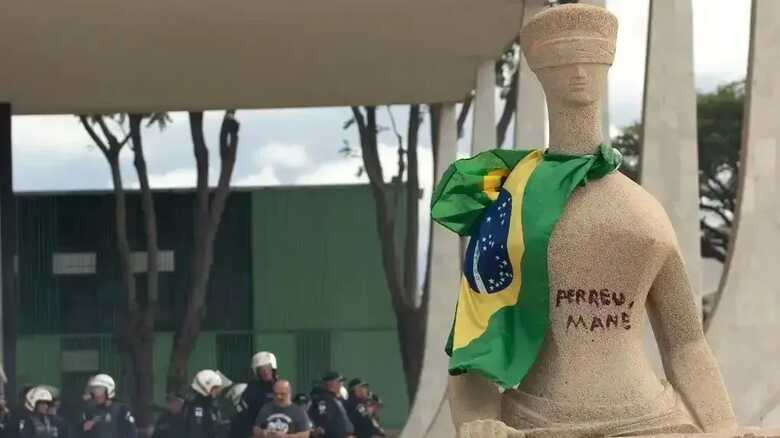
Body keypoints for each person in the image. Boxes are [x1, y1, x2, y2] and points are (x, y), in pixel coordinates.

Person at [80, 374, 137, 438]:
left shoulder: (121, 409)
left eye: (99, 390)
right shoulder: (90, 412)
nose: (96, 394)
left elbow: (131, 433)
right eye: (93, 391)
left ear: (108, 390)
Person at [307, 372, 353, 438]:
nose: (341, 385)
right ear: (330, 384)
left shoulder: (334, 398)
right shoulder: (323, 399)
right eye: (339, 382)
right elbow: (324, 422)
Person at [183, 369, 224, 438]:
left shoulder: (209, 405)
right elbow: (196, 433)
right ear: (206, 386)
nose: (217, 391)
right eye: (215, 387)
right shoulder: (198, 407)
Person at [244, 352, 278, 429]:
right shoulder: (252, 387)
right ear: (257, 371)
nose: (265, 372)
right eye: (261, 369)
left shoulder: (280, 385)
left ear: (273, 368)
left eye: (268, 368)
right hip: (257, 427)